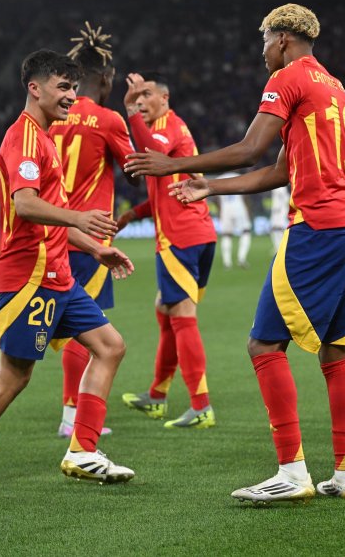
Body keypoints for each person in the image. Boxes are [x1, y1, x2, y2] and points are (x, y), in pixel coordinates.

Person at [126, 4, 345, 503]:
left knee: (263, 346)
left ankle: (292, 471)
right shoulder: (335, 86)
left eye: (263, 40)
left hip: (317, 227)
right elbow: (279, 171)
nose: (261, 52)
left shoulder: (288, 78)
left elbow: (249, 148)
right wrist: (210, 187)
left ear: (282, 38)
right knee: (336, 351)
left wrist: (172, 165)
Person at [0, 50, 137, 491]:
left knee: (111, 346)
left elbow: (51, 213)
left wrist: (97, 250)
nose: (71, 97)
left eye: (75, 89)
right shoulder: (23, 138)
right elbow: (26, 205)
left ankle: (83, 450)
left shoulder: (46, 138)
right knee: (15, 375)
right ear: (34, 88)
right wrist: (80, 219)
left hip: (59, 272)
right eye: (63, 88)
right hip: (31, 275)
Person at [116, 71, 219, 430]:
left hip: (180, 238)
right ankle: (157, 396)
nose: (140, 101)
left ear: (165, 98)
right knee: (165, 309)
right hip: (197, 234)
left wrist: (129, 113)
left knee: (181, 315)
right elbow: (165, 189)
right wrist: (133, 213)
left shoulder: (168, 126)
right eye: (136, 98)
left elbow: (153, 152)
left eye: (146, 95)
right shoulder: (172, 127)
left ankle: (201, 406)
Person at [49, 22, 137, 439]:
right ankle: (73, 415)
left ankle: (72, 413)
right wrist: (133, 114)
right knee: (88, 326)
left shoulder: (50, 119)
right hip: (91, 236)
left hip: (54, 231)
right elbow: (135, 170)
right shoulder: (107, 119)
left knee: (70, 323)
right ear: (105, 79)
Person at [215, 172, 252, 268]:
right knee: (246, 231)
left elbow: (216, 198)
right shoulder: (238, 175)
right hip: (239, 208)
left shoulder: (219, 178)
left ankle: (227, 262)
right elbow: (246, 194)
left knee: (226, 235)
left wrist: (220, 211)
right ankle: (241, 258)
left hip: (225, 209)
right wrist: (248, 209)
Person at [268, 184, 290, 252]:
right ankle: (277, 247)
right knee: (273, 229)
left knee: (279, 229)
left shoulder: (280, 187)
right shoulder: (275, 187)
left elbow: (286, 198)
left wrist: (281, 208)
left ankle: (283, 247)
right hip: (275, 211)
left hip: (280, 211)